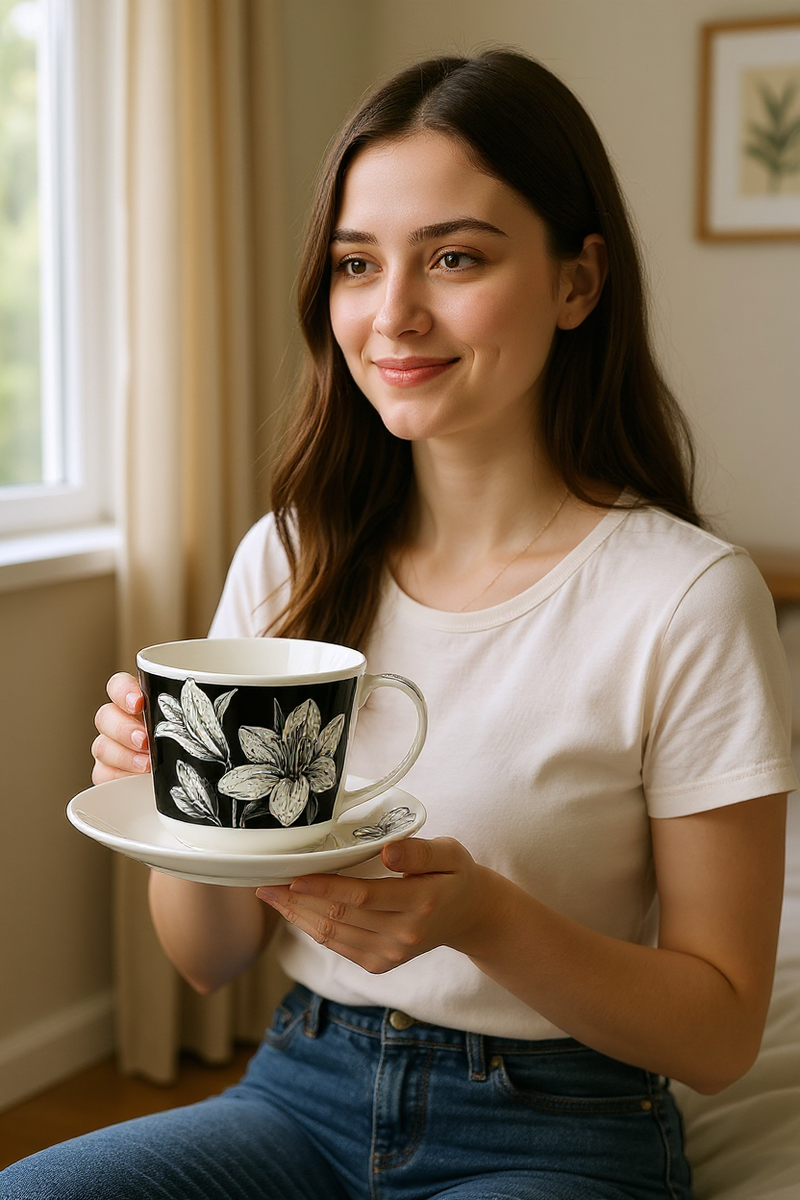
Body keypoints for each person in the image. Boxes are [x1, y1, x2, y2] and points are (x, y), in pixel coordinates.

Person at [3, 48, 796, 1200]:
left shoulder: (682, 598)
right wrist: (178, 805)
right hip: (299, 1090)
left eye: (454, 257)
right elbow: (208, 959)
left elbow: (718, 1035)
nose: (392, 315)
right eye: (355, 264)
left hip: (559, 1128)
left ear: (577, 283)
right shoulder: (287, 558)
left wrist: (483, 919)